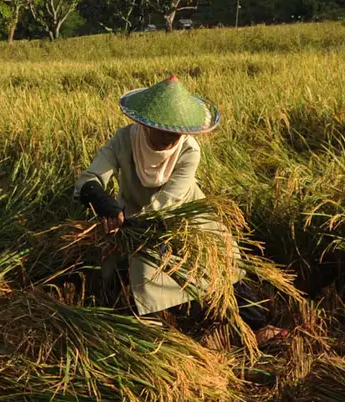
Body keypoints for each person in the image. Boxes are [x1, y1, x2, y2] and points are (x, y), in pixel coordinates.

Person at [74, 75, 287, 344]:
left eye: (175, 132)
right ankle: (151, 331)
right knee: (125, 274)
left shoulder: (189, 149)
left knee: (220, 266)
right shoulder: (124, 140)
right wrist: (104, 203)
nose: (170, 138)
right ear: (144, 124)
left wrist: (135, 224)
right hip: (131, 213)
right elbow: (91, 177)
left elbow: (169, 200)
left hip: (186, 214)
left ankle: (258, 326)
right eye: (163, 131)